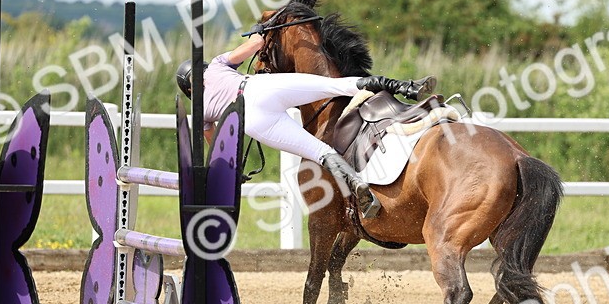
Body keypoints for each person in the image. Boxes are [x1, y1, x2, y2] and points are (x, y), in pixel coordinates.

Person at [175, 32, 435, 221]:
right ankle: (406, 87)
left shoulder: (200, 112)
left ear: (188, 89)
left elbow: (220, 145)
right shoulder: (217, 65)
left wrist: (236, 173)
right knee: (337, 85)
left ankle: (357, 186)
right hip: (260, 88)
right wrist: (258, 33)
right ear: (202, 69)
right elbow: (257, 43)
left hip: (255, 120)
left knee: (320, 151)